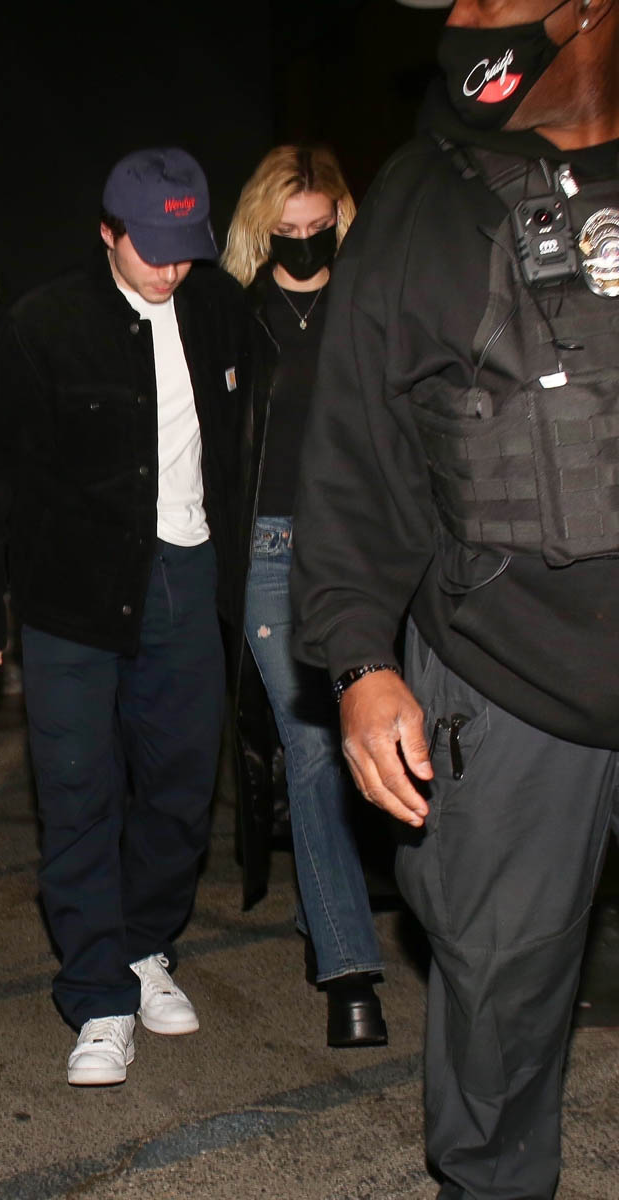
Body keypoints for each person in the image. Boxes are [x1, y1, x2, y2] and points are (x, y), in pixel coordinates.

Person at [290, 1, 619, 1196]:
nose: (468, 20)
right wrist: (358, 659)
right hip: (505, 674)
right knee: (497, 996)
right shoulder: (422, 201)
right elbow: (352, 448)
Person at [0, 147, 252, 1087]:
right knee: (78, 793)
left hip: (187, 577)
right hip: (70, 594)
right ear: (108, 232)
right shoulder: (46, 326)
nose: (169, 269)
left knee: (181, 788)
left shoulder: (217, 308)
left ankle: (143, 945)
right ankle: (97, 996)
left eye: (184, 250)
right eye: (150, 248)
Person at [222, 146, 387, 1048]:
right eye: (286, 229)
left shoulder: (368, 306)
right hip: (271, 551)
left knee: (374, 744)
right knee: (316, 747)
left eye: (318, 227)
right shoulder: (237, 318)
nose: (303, 242)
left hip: (362, 551)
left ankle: (327, 908)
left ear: (340, 221)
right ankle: (350, 970)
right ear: (262, 228)